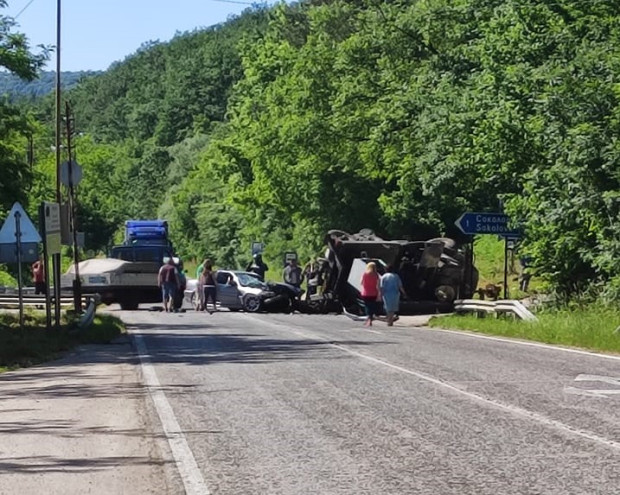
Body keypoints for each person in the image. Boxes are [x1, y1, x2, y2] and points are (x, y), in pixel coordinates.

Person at [360, 262, 380, 327]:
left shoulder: (365, 274)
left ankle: (368, 319)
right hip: (374, 293)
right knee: (372, 306)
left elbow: (361, 283)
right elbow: (378, 285)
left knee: (367, 306)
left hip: (365, 293)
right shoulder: (376, 275)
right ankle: (370, 318)